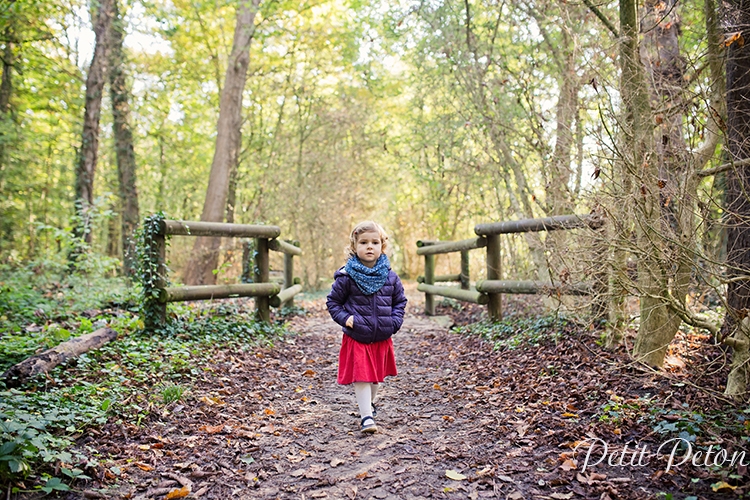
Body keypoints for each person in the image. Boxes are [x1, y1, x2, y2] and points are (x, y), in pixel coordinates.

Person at [326, 221, 408, 433]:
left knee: (375, 379)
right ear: (354, 246)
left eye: (374, 242)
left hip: (382, 334)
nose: (369, 246)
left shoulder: (390, 277)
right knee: (362, 376)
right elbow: (333, 303)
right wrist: (346, 319)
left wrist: (395, 321)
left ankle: (369, 404)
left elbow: (400, 301)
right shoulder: (346, 276)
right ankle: (366, 418)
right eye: (363, 242)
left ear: (382, 246)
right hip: (358, 334)